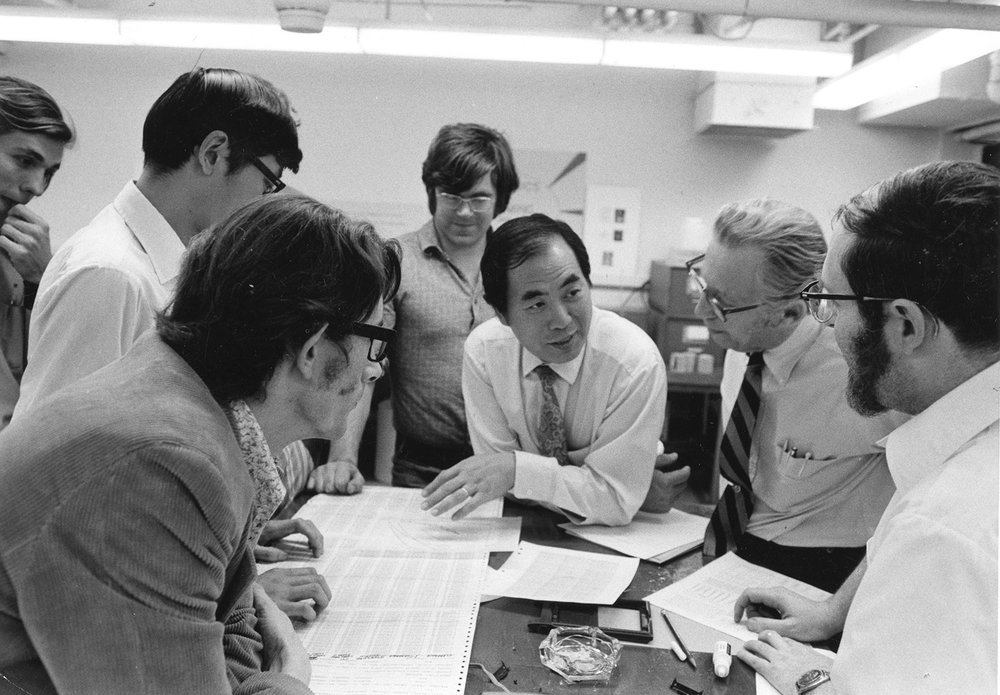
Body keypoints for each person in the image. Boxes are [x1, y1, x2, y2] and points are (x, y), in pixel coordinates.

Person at [0, 194, 401, 692]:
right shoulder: (164, 464)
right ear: (313, 349)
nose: (376, 367)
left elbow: (231, 639)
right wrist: (293, 674)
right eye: (376, 339)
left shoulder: (195, 405)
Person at [12, 67, 329, 619]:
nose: (264, 203)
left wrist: (218, 548)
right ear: (213, 153)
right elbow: (59, 493)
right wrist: (232, 594)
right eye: (268, 181)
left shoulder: (160, 267)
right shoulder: (110, 273)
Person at [733, 161, 998, 695]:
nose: (827, 327)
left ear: (904, 324)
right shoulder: (959, 448)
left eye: (833, 304)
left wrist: (812, 680)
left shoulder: (943, 531)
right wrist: (833, 613)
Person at [690, 199, 903, 592]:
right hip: (737, 545)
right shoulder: (744, 343)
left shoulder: (862, 375)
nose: (701, 308)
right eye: (702, 283)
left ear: (789, 311)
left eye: (720, 303)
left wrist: (835, 611)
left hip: (825, 573)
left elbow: (923, 503)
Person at [421, 213, 674, 526]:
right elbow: (501, 483)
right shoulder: (485, 354)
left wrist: (517, 471)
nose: (563, 320)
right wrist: (596, 484)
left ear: (588, 282)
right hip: (521, 527)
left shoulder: (634, 363)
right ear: (502, 313)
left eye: (572, 293)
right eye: (536, 304)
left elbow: (615, 501)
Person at [346, 122, 519, 489]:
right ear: (432, 192)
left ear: (500, 198)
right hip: (422, 470)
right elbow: (364, 362)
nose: (465, 211)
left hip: (508, 468)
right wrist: (343, 459)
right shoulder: (397, 260)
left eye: (478, 198)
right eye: (451, 196)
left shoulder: (517, 266)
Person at [0, 76, 73, 429]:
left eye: (49, 173)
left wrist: (43, 282)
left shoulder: (17, 254)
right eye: (25, 160)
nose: (37, 187)